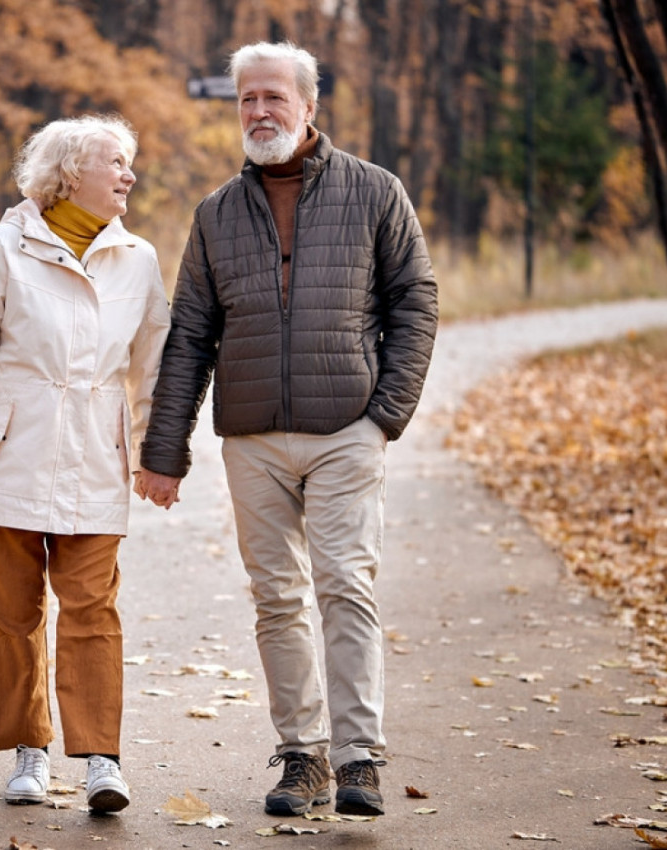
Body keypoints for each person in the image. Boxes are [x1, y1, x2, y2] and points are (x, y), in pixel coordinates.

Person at [138, 41, 438, 819]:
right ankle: (301, 756)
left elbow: (415, 302)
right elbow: (190, 336)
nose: (259, 111)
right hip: (252, 439)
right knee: (275, 598)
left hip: (347, 428)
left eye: (274, 97)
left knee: (344, 585)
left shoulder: (374, 191)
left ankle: (359, 759)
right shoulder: (214, 213)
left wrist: (384, 416)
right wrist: (163, 450)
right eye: (246, 99)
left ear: (309, 106)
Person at [0, 114, 170, 814]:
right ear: (68, 173)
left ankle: (100, 759)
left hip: (95, 452)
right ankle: (29, 751)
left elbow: (155, 367)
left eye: (129, 162)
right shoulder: (3, 247)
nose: (128, 174)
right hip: (3, 455)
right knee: (12, 612)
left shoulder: (138, 258)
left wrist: (158, 456)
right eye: (115, 162)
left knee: (93, 607)